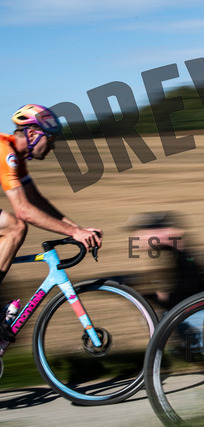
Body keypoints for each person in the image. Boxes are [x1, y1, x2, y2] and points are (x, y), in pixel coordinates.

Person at [0, 104, 102, 342]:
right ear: (32, 133)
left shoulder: (16, 157)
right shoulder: (6, 152)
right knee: (15, 226)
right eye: (51, 139)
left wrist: (77, 230)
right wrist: (74, 232)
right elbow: (24, 211)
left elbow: (37, 201)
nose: (53, 146)